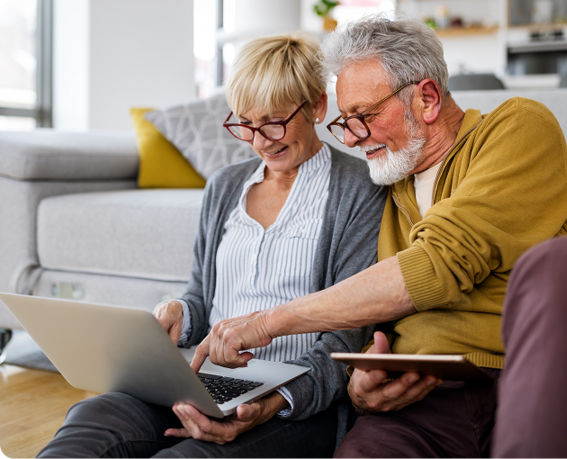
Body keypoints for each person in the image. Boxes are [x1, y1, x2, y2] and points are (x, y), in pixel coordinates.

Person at [194, 14, 567, 459]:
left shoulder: (517, 127)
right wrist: (360, 388)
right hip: (419, 404)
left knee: (565, 263)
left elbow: (440, 262)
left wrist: (264, 323)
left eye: (364, 117)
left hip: (525, 377)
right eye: (345, 122)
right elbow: (363, 321)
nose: (353, 140)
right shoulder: (384, 187)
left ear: (427, 98)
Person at [37, 32, 387, 458]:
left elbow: (346, 338)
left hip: (292, 404)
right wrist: (178, 313)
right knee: (94, 421)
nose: (260, 141)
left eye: (274, 121)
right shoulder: (225, 186)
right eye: (245, 123)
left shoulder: (358, 190)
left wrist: (268, 403)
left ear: (316, 106)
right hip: (204, 383)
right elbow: (202, 298)